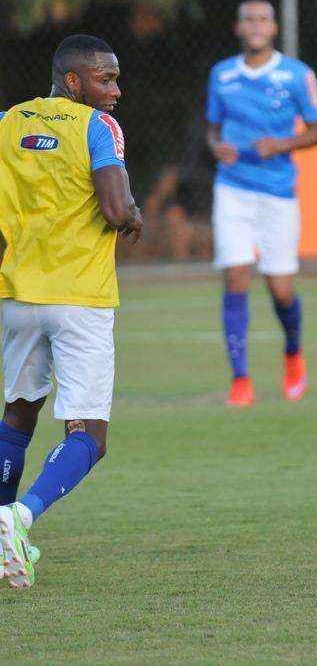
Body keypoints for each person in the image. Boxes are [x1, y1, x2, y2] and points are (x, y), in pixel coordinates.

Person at [0, 34, 143, 589]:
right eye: (106, 79)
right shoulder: (97, 127)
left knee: (17, 415)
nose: (116, 90)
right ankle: (21, 515)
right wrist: (132, 215)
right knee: (89, 435)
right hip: (79, 297)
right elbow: (113, 209)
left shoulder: (9, 121)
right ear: (74, 81)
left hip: (17, 295)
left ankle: (2, 531)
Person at [205, 0, 317, 407]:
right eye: (248, 20)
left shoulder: (296, 74)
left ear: (273, 28)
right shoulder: (222, 75)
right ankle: (241, 380)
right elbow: (212, 130)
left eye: (262, 20)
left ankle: (293, 353)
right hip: (232, 188)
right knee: (236, 277)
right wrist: (216, 147)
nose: (255, 26)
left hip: (277, 192)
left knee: (280, 289)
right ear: (238, 28)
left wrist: (281, 144)